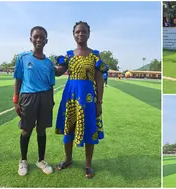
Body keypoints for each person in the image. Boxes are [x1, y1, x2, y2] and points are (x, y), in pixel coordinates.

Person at [54, 21, 106, 178]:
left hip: (89, 96)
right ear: (73, 34)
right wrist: (47, 64)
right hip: (70, 95)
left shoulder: (95, 54)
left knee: (90, 127)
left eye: (83, 32)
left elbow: (99, 79)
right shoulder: (69, 54)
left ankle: (88, 164)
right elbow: (58, 72)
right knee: (68, 126)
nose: (80, 34)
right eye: (77, 32)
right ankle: (68, 159)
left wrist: (99, 102)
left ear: (89, 34)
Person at [13, 26, 55, 176]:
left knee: (41, 129)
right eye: (36, 37)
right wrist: (16, 99)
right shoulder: (23, 57)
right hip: (28, 97)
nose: (39, 39)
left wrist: (51, 101)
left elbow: (51, 84)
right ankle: (23, 160)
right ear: (31, 39)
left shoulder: (49, 63)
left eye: (42, 37)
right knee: (26, 129)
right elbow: (18, 78)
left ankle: (41, 160)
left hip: (45, 98)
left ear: (46, 41)